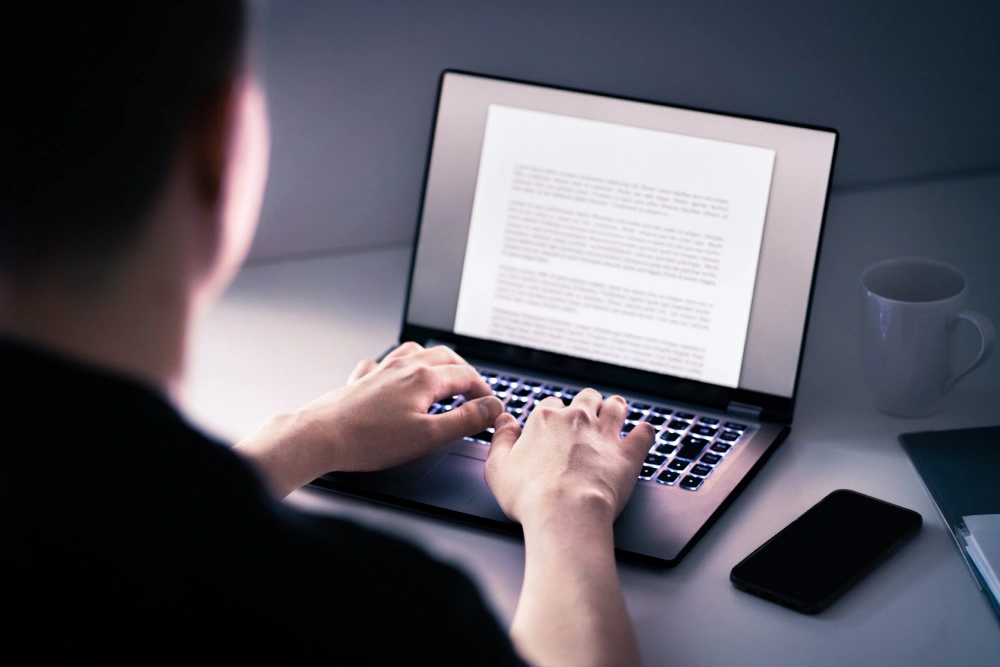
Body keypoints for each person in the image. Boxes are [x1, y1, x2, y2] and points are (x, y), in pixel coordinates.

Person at [0, 3, 655, 664]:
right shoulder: (376, 616)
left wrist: (315, 433)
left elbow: (115, 520)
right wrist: (570, 504)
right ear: (220, 144)